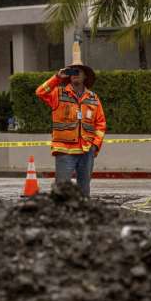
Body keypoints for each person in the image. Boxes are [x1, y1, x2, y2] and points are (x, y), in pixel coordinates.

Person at [35, 41, 107, 197]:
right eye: (72, 71)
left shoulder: (93, 98)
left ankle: (83, 217)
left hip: (87, 151)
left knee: (84, 192)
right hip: (64, 151)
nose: (75, 74)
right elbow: (40, 92)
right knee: (62, 191)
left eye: (79, 71)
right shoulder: (58, 94)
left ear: (85, 76)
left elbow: (101, 124)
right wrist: (57, 78)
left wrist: (95, 145)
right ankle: (61, 218)